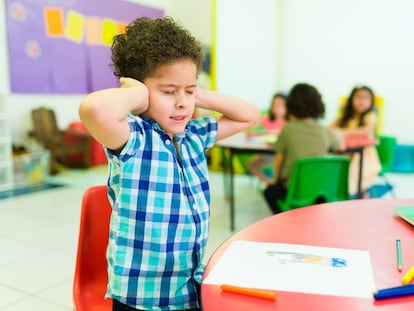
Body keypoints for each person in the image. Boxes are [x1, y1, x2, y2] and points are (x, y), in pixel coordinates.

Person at [78, 17, 260, 311]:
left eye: (189, 91)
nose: (182, 103)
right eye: (168, 91)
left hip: (187, 288)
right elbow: (94, 109)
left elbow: (249, 115)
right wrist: (137, 94)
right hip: (142, 297)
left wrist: (194, 93)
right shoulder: (134, 138)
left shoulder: (194, 136)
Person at [263, 83, 342, 214]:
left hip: (294, 190)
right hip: (320, 192)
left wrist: (275, 179)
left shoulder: (288, 129)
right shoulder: (323, 130)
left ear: (291, 105)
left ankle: (284, 218)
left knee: (269, 191)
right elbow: (339, 146)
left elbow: (279, 159)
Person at [329, 85, 381, 197]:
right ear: (351, 99)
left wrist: (342, 132)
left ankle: (358, 195)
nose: (361, 101)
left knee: (356, 172)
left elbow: (366, 130)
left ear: (371, 102)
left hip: (364, 155)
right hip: (345, 153)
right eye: (358, 97)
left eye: (366, 98)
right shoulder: (346, 117)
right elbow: (329, 128)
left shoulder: (370, 116)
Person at [247, 93, 287, 183]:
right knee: (252, 165)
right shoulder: (266, 119)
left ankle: (274, 182)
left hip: (280, 154)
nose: (278, 108)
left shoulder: (288, 122)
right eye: (275, 104)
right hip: (266, 153)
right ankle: (269, 183)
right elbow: (251, 131)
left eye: (281, 105)